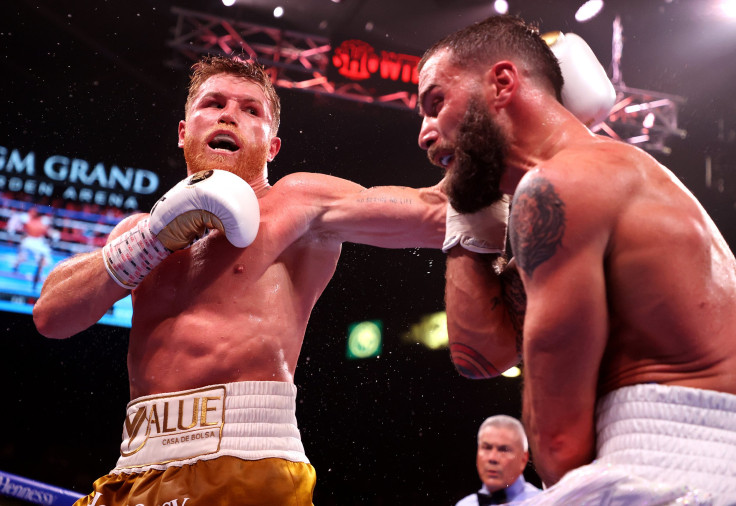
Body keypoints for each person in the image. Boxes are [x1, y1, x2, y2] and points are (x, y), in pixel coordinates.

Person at [32, 55, 447, 505]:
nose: (229, 114)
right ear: (183, 132)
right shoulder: (138, 232)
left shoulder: (298, 202)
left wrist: (499, 153)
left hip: (245, 459)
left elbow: (434, 213)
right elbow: (51, 317)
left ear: (272, 146)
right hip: (135, 465)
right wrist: (152, 239)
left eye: (251, 110)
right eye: (213, 103)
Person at [417, 15, 736, 504]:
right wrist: (467, 214)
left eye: (436, 103)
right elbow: (479, 355)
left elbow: (558, 443)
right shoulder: (606, 177)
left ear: (502, 83)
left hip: (671, 468)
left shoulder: (563, 185)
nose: (425, 133)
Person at [455, 415, 540, 505]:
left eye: (503, 450)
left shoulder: (543, 502)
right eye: (487, 448)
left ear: (523, 459)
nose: (492, 458)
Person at [12, 207, 54, 290]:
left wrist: (51, 233)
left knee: (44, 259)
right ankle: (15, 267)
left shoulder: (44, 220)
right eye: (31, 211)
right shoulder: (25, 217)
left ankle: (38, 275)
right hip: (29, 240)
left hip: (39, 241)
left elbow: (47, 231)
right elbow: (16, 221)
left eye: (34, 211)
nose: (32, 212)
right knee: (22, 257)